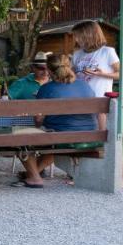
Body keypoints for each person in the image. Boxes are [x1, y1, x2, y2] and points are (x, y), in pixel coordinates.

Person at [16, 56, 97, 188]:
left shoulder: (47, 88)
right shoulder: (85, 85)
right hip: (90, 135)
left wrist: (40, 123)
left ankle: (34, 177)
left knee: (19, 136)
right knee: (56, 139)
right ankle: (34, 171)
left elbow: (38, 120)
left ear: (49, 70)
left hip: (59, 136)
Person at [69, 19, 123, 188]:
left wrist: (102, 74)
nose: (76, 39)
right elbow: (72, 77)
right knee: (84, 139)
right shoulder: (77, 54)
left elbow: (121, 75)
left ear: (88, 35)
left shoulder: (107, 52)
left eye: (78, 36)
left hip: (100, 104)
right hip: (81, 102)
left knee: (108, 139)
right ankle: (80, 174)